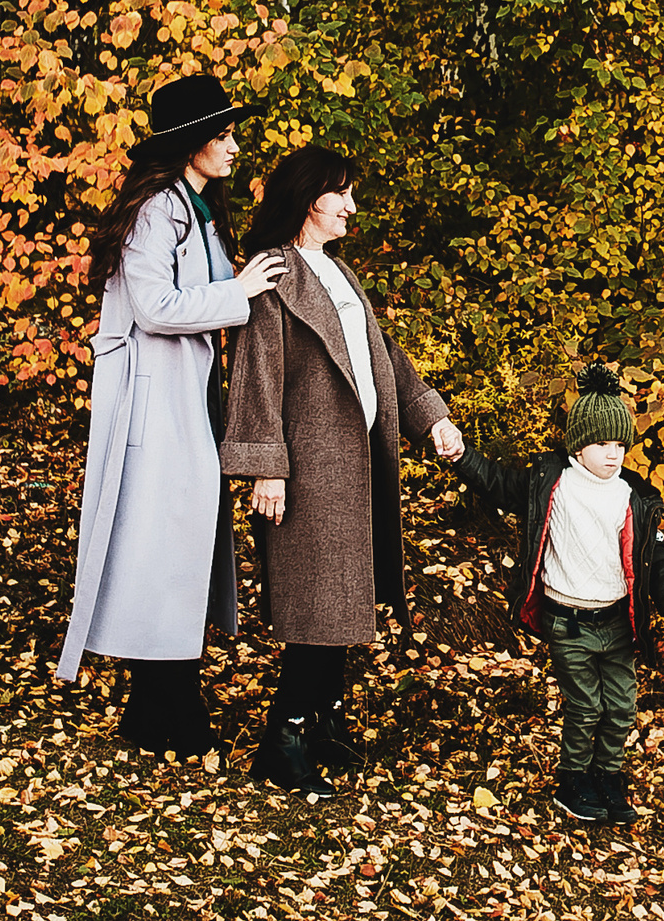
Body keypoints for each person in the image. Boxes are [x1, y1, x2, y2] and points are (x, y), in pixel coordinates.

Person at [54, 75, 287, 758]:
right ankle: (171, 708)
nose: (234, 147)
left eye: (233, 134)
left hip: (186, 395)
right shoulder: (160, 210)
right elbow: (156, 307)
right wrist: (236, 290)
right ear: (190, 142)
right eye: (222, 136)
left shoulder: (197, 208)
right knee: (161, 547)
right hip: (152, 403)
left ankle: (155, 706)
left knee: (176, 547)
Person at [221, 144, 466, 794]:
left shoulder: (340, 273)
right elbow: (255, 371)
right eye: (343, 195)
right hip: (309, 468)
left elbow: (384, 354)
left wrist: (428, 417)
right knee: (316, 606)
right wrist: (265, 466)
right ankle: (284, 736)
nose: (352, 207)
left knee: (342, 601)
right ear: (310, 198)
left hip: (358, 464)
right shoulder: (274, 271)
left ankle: (324, 723)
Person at [445, 363, 664, 824]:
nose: (613, 454)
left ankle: (608, 779)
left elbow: (656, 560)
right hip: (569, 621)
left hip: (617, 622)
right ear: (578, 444)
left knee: (621, 706)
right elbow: (498, 483)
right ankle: (574, 780)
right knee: (586, 705)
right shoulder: (550, 482)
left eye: (620, 445)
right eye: (602, 444)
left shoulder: (634, 496)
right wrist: (461, 457)